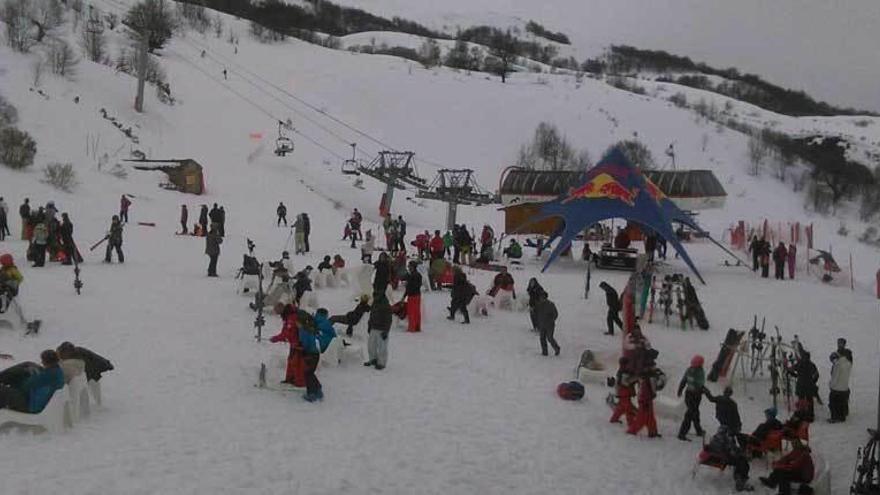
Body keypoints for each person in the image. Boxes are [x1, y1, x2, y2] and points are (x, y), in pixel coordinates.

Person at [0, 350, 64, 413]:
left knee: (4, 390)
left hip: (31, 405)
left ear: (46, 362)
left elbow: (25, 387)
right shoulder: (57, 371)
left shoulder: (48, 375)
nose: (41, 362)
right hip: (37, 399)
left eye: (42, 361)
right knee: (27, 365)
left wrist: (30, 373)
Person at [705, 426, 754, 492]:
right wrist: (742, 453)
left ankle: (739, 476)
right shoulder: (726, 439)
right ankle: (740, 480)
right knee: (743, 462)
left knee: (740, 459)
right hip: (723, 459)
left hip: (715, 457)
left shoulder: (715, 437)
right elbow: (732, 451)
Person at [270, 303, 305, 387]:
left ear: (281, 308)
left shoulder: (291, 317)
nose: (277, 313)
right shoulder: (288, 315)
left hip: (299, 343)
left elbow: (288, 333)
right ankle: (290, 379)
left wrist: (276, 338)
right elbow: (286, 332)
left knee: (296, 363)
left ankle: (299, 382)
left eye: (277, 311)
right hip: (295, 343)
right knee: (291, 360)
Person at [677, 354, 707, 441]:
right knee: (690, 414)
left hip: (692, 395)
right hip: (693, 396)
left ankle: (698, 430)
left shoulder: (691, 370)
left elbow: (684, 381)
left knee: (695, 412)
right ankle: (682, 433)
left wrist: (680, 390)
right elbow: (699, 384)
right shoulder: (697, 372)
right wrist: (703, 390)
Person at [298, 310, 322, 402]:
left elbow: (306, 343)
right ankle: (318, 389)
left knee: (307, 373)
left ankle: (311, 393)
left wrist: (303, 350)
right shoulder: (309, 329)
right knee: (310, 373)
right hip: (315, 354)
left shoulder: (303, 331)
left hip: (310, 354)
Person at [627, 371, 660, 438]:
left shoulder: (644, 378)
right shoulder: (647, 379)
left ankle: (652, 432)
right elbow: (646, 391)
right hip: (645, 401)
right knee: (641, 418)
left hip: (647, 400)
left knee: (650, 417)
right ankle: (632, 431)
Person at [788, 351, 819, 421]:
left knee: (803, 400)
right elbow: (817, 375)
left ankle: (802, 414)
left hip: (802, 385)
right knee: (809, 400)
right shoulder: (811, 365)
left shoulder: (800, 364)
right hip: (809, 385)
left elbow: (791, 369)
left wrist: (791, 372)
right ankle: (810, 414)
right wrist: (813, 381)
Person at [828, 338, 853, 423]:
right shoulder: (848, 362)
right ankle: (843, 415)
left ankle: (834, 417)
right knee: (843, 401)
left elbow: (835, 376)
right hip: (845, 386)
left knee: (833, 403)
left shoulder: (838, 364)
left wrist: (831, 385)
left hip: (837, 387)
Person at [365, 293, 391, 370]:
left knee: (382, 347)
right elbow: (371, 315)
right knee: (371, 345)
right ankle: (373, 359)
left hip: (382, 329)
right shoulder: (374, 304)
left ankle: (382, 362)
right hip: (373, 327)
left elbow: (389, 319)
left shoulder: (386, 305)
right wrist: (369, 325)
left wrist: (386, 331)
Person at [610, 357, 637, 426]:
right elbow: (626, 382)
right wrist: (635, 378)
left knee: (621, 408)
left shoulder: (622, 371)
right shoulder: (623, 372)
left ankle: (614, 419)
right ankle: (631, 424)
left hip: (623, 393)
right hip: (624, 393)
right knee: (628, 409)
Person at [403, 261, 422, 332]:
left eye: (409, 266)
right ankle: (417, 327)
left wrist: (404, 296)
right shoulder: (419, 275)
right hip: (418, 295)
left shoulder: (411, 276)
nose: (408, 268)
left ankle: (411, 327)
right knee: (417, 312)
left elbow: (409, 287)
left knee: (411, 312)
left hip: (412, 296)